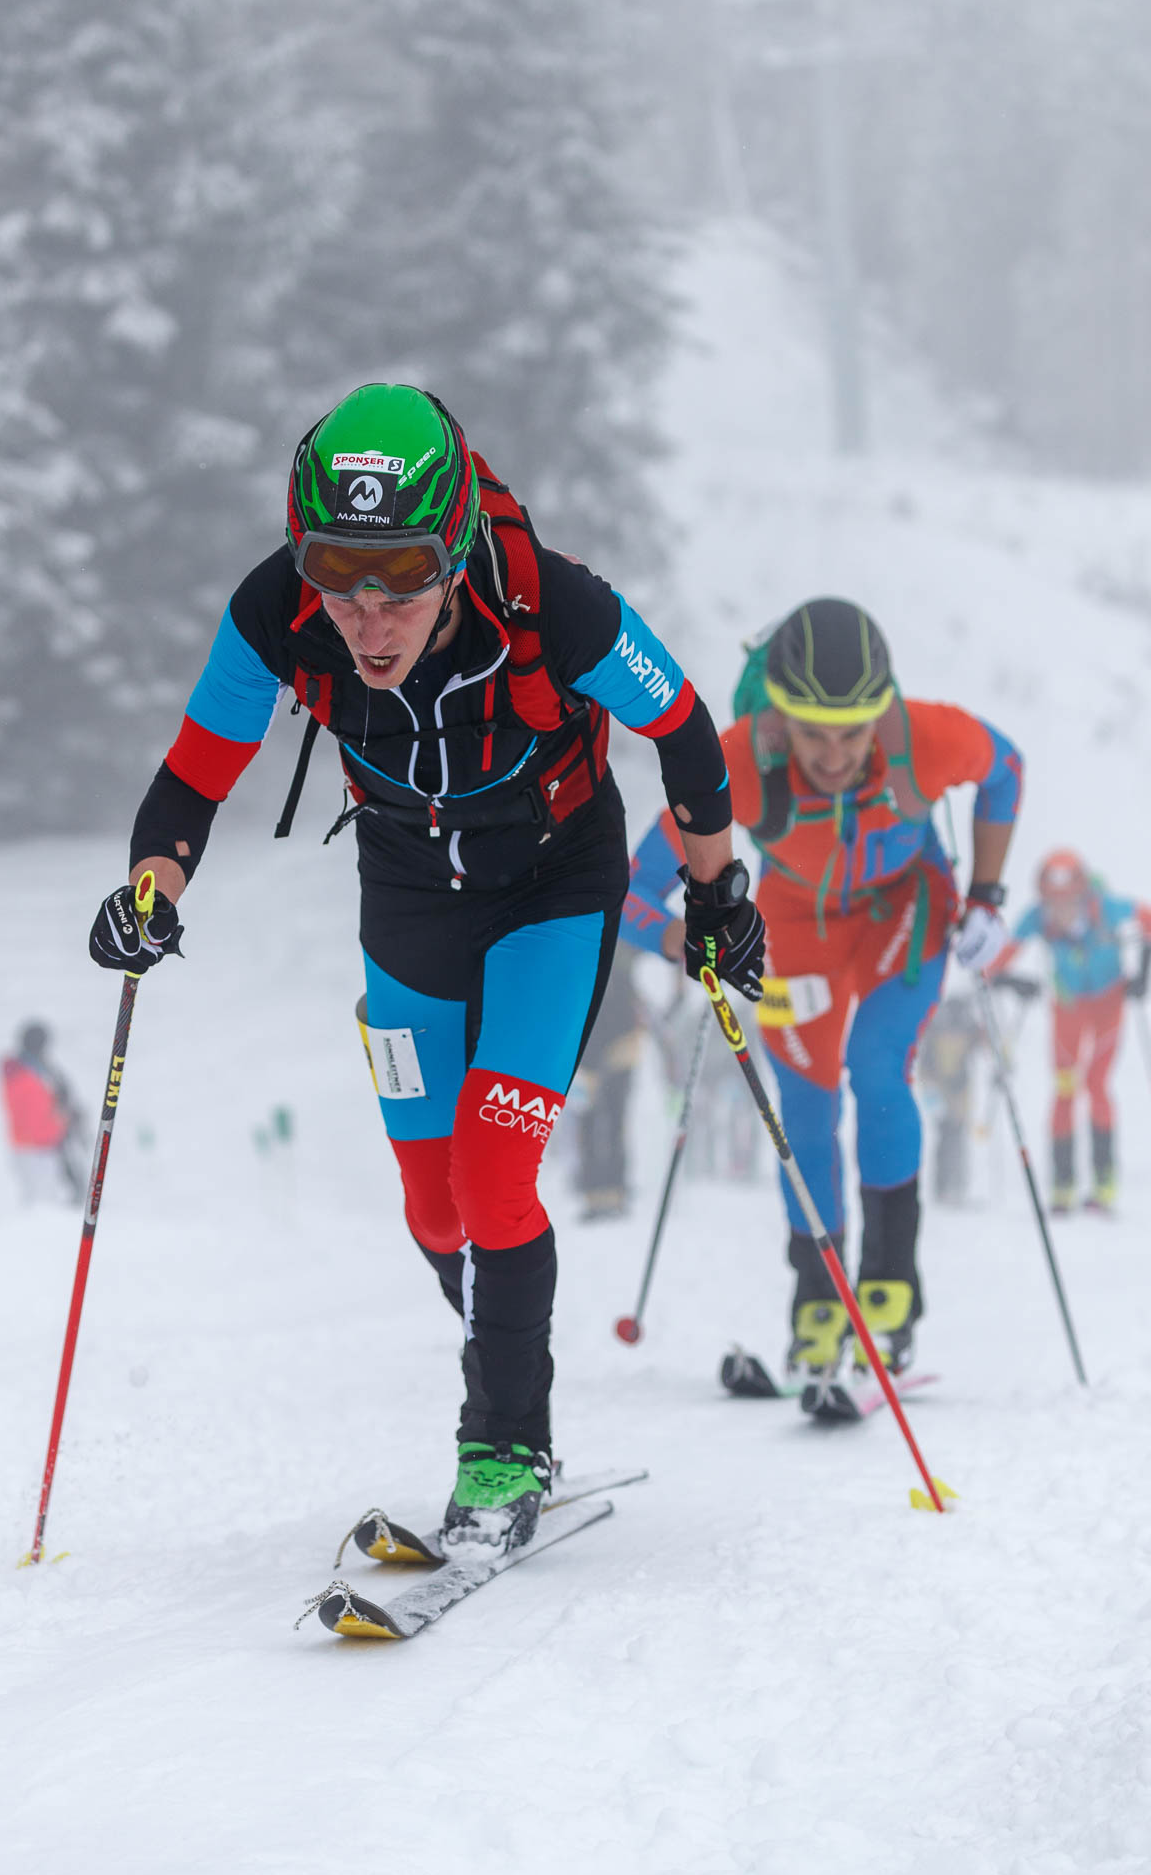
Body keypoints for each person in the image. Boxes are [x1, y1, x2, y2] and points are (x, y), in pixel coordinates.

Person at [87, 383, 764, 1553]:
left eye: (397, 573)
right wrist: (152, 889)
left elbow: (686, 731)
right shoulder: (274, 614)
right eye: (335, 568)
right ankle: (508, 1348)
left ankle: (503, 1440)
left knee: (494, 1165)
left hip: (553, 880)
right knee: (431, 1196)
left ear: (450, 552)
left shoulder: (555, 604)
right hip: (406, 887)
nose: (363, 611)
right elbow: (196, 769)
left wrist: (716, 895)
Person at [622, 596, 1023, 1384]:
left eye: (854, 731)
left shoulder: (924, 736)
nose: (835, 755)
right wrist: (689, 938)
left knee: (878, 1071)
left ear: (883, 710)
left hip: (903, 912)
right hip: (794, 927)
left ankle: (889, 1287)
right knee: (804, 1104)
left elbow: (1005, 770)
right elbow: (628, 890)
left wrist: (988, 898)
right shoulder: (734, 757)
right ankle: (818, 1295)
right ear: (779, 717)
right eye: (813, 732)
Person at [992, 850, 1151, 1213]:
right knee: (1065, 1086)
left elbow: (1148, 922)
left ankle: (1104, 1182)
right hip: (1067, 1006)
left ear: (1083, 894)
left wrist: (1144, 972)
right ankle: (1062, 1185)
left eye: (1068, 901)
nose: (1060, 910)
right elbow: (996, 961)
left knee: (1096, 1084)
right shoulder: (1037, 918)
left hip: (1109, 1003)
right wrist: (1012, 981)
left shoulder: (1108, 908)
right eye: (1053, 902)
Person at [570, 941, 644, 1221]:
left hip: (613, 1049)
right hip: (592, 1050)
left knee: (606, 1122)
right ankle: (600, 1193)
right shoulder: (608, 951)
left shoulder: (621, 951)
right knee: (596, 1123)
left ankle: (610, 1191)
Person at [0, 1021, 85, 1204]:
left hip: (40, 1146)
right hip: (36, 1148)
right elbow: (38, 1118)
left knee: (46, 1199)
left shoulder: (36, 1070)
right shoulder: (24, 1076)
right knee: (43, 1203)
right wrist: (67, 1120)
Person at [916, 990, 986, 1206]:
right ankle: (945, 1187)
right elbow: (926, 1064)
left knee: (955, 1134)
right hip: (942, 1090)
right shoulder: (941, 1029)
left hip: (957, 1089)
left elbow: (982, 1043)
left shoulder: (956, 1027)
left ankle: (956, 1186)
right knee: (948, 1135)